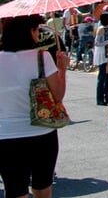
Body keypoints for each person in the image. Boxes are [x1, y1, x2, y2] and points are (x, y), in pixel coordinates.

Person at [0, 15, 68, 198]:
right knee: (42, 188)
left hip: (6, 135)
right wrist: (62, 69)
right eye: (37, 29)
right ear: (29, 31)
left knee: (15, 191)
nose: (39, 33)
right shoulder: (43, 57)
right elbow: (58, 95)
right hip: (41, 133)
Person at [94, 11, 108, 106]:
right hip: (103, 55)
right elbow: (97, 43)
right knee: (102, 77)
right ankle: (100, 98)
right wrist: (107, 42)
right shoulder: (101, 29)